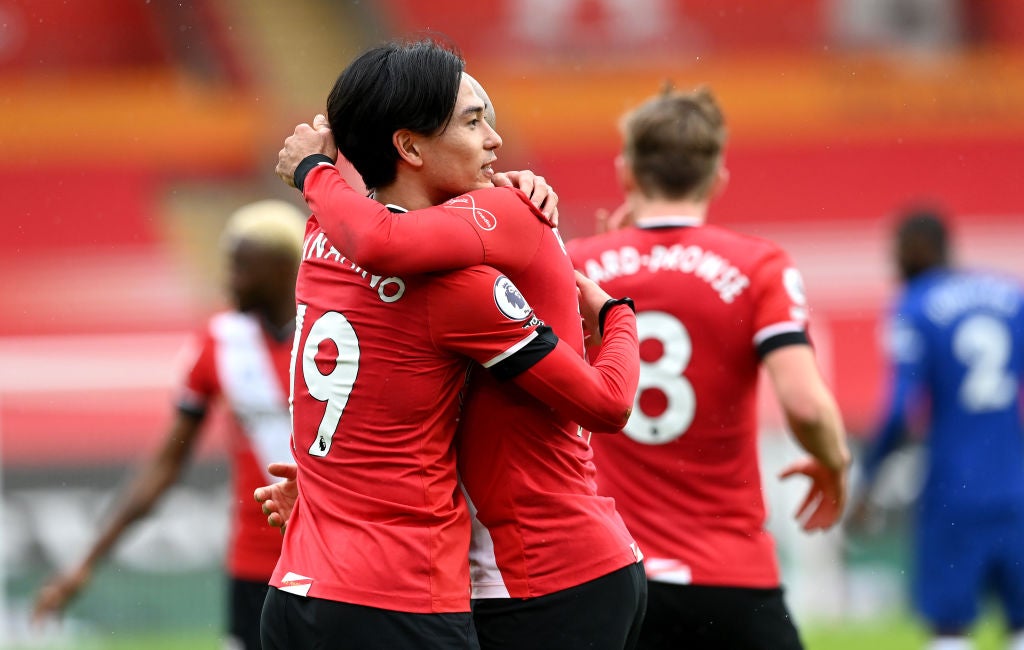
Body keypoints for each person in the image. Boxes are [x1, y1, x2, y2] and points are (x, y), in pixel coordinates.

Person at [259, 38, 643, 650]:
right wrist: (620, 316)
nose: (495, 139)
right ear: (409, 146)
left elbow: (374, 250)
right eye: (472, 121)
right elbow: (606, 403)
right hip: (458, 589)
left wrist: (324, 489)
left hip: (304, 589)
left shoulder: (318, 240)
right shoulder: (461, 283)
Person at [565, 85, 851, 650]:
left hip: (611, 577)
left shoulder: (576, 264)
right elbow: (803, 402)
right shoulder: (757, 265)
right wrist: (835, 462)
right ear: (718, 178)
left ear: (626, 174)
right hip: (728, 578)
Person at [30, 199, 308, 650]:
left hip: (336, 560)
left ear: (280, 269)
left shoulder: (337, 335)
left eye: (241, 268)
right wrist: (85, 562)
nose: (228, 280)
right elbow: (166, 463)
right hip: (256, 568)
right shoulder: (219, 343)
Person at [850, 208, 1024, 650]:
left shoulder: (916, 305)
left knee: (949, 626)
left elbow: (899, 411)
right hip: (1016, 484)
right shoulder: (1010, 297)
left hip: (955, 489)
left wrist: (868, 480)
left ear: (912, 251)